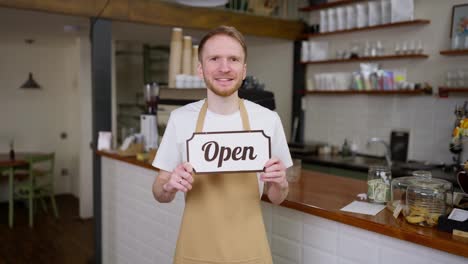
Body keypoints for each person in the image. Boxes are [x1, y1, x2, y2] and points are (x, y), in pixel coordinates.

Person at [152, 25, 293, 264]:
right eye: (214, 58)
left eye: (234, 59)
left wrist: (280, 182)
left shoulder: (268, 120)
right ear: (200, 68)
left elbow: (277, 197)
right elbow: (159, 192)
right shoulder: (180, 119)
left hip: (250, 252)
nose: (224, 68)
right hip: (195, 252)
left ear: (244, 69)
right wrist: (169, 186)